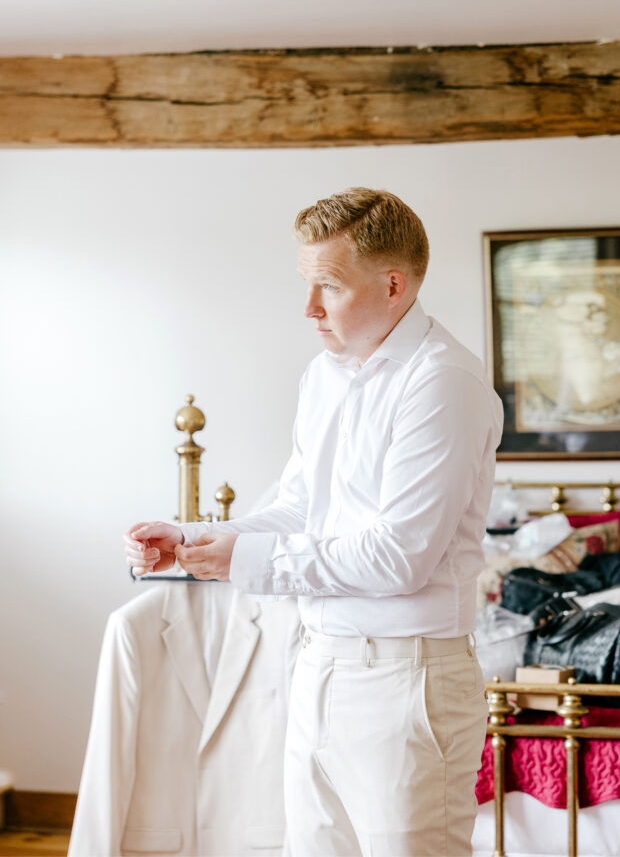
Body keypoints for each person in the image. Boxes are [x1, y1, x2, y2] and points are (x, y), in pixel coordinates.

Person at [125, 187, 504, 857]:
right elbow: (299, 507)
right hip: (318, 666)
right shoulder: (323, 377)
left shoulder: (442, 383)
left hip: (405, 684)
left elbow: (397, 558)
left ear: (393, 284)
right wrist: (194, 540)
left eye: (326, 288)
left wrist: (241, 563)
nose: (307, 309)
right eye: (306, 285)